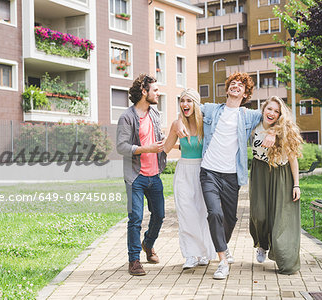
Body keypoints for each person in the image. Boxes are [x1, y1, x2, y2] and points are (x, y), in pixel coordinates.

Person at [175, 72, 275, 279]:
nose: (235, 86)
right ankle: (222, 261)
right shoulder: (211, 109)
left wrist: (274, 133)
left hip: (231, 176)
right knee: (214, 213)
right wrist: (177, 122)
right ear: (227, 88)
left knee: (230, 218)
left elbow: (274, 118)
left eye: (240, 85)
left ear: (245, 92)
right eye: (232, 83)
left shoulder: (248, 115)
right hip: (209, 171)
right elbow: (188, 108)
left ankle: (222, 247)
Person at [116, 74, 167, 276]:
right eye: (155, 90)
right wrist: (147, 148)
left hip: (154, 175)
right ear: (144, 92)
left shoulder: (155, 114)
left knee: (160, 215)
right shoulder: (127, 117)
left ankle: (148, 243)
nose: (158, 92)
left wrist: (177, 144)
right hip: (135, 176)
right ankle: (134, 260)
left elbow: (160, 140)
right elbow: (121, 147)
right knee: (135, 218)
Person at [249, 96, 303, 275]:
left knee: (281, 220)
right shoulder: (254, 126)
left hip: (281, 175)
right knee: (259, 214)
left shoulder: (283, 131)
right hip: (259, 172)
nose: (271, 113)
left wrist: (296, 185)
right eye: (269, 109)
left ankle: (285, 260)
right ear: (263, 109)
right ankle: (262, 245)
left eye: (276, 111)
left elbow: (293, 159)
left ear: (280, 115)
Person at [163, 89, 216, 270]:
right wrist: (176, 125)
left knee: (203, 213)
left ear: (196, 103)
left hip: (203, 170)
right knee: (186, 213)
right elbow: (166, 148)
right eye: (182, 101)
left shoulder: (205, 124)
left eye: (189, 101)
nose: (185, 104)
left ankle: (204, 253)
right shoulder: (177, 125)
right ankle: (190, 255)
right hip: (184, 170)